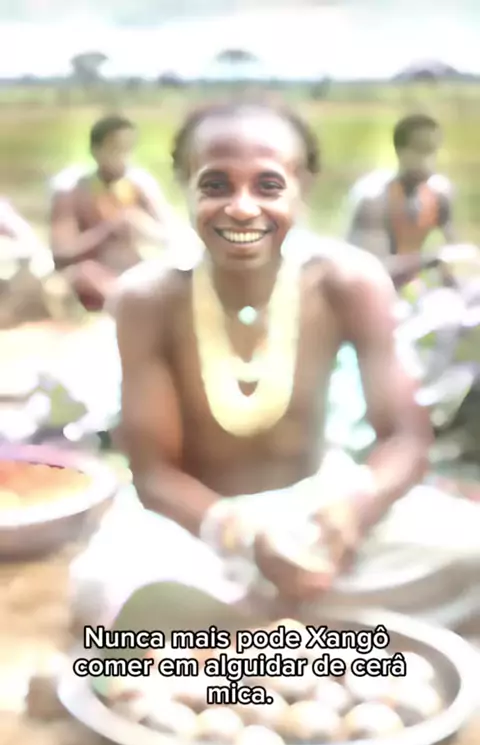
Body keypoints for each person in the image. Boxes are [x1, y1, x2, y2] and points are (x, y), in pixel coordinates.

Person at [70, 100, 480, 634]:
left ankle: (238, 635)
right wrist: (244, 538)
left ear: (302, 188)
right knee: (108, 585)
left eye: (268, 186)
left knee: (470, 551)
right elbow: (154, 474)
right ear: (185, 186)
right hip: (197, 528)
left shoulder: (347, 281)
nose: (242, 208)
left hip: (323, 510)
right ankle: (318, 630)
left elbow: (405, 437)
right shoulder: (148, 298)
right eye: (216, 185)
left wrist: (353, 512)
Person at [49, 114, 180, 312]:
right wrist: (107, 230)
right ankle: (128, 305)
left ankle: (137, 304)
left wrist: (140, 224)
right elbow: (61, 253)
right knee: (82, 275)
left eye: (128, 149)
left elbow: (171, 238)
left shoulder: (139, 186)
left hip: (135, 271)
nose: (123, 158)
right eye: (115, 149)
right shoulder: (72, 191)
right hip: (94, 275)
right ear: (95, 151)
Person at [346, 114, 479, 297]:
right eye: (420, 150)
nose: (428, 160)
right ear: (399, 151)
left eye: (432, 151)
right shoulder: (373, 199)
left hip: (411, 289)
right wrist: (433, 259)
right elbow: (369, 272)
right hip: (367, 294)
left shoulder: (440, 193)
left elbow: (456, 255)